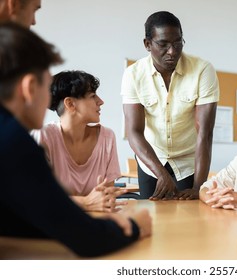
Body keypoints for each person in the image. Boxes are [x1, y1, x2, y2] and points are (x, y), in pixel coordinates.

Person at [0, 22, 151, 257]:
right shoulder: (15, 143)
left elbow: (31, 219)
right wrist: (135, 225)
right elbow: (85, 238)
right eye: (46, 85)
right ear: (30, 88)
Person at [121, 11, 219, 200]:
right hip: (150, 161)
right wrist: (161, 174)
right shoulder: (133, 74)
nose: (172, 51)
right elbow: (134, 132)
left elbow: (205, 133)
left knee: (187, 220)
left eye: (177, 42)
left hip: (188, 164)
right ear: (147, 44)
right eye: (163, 44)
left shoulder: (202, 70)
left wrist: (199, 188)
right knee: (150, 219)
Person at [32, 70, 128, 212]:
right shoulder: (44, 137)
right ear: (70, 104)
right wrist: (86, 202)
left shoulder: (107, 137)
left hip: (95, 223)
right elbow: (37, 198)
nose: (101, 102)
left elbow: (105, 199)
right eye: (92, 96)